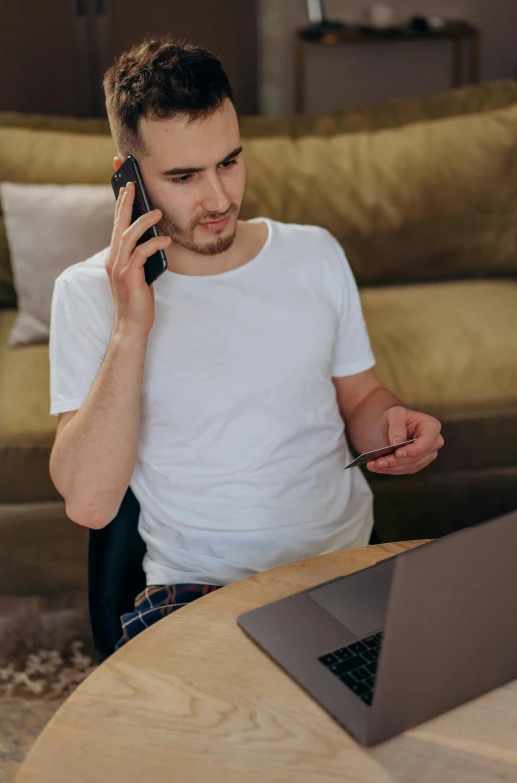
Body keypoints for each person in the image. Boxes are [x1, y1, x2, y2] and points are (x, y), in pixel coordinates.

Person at [48, 34, 444, 651]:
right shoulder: (86, 294)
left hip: (344, 568)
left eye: (229, 162)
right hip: (197, 591)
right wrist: (132, 327)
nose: (219, 199)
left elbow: (360, 397)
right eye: (183, 176)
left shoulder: (313, 253)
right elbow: (93, 504)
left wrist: (390, 427)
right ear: (128, 181)